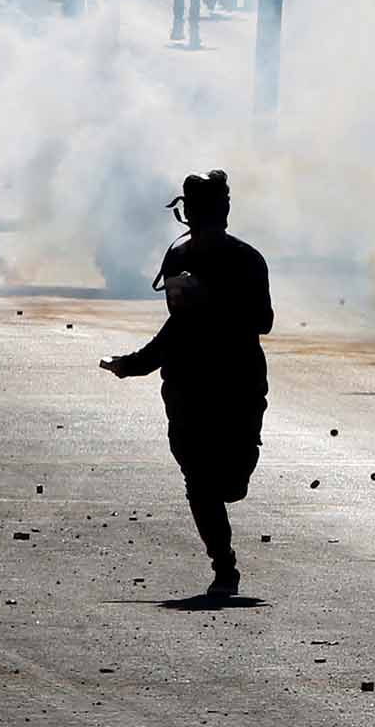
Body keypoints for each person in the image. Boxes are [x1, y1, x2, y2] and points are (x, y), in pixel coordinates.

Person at [100, 172, 273, 599]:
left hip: (237, 382)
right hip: (190, 387)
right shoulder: (177, 259)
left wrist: (214, 304)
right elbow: (176, 329)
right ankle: (224, 566)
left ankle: (224, 524)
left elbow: (263, 321)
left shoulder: (248, 260)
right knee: (200, 480)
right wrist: (134, 364)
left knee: (230, 481)